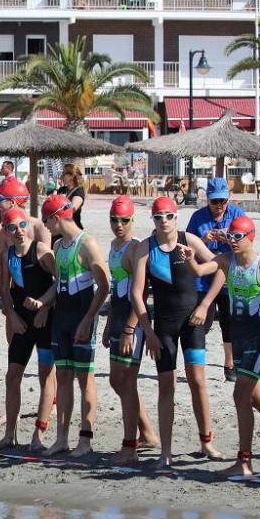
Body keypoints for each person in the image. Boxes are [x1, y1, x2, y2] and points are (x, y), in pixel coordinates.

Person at [130, 196, 224, 469]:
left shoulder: (190, 241)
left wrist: (206, 305)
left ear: (176, 217)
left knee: (197, 380)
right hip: (164, 327)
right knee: (166, 387)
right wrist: (148, 331)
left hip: (193, 321)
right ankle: (166, 453)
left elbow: (221, 267)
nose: (163, 221)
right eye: (158, 217)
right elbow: (137, 293)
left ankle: (206, 441)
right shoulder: (145, 249)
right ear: (153, 219)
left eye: (168, 216)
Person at [182, 216, 260, 476]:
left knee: (239, 395)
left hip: (258, 338)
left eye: (238, 237)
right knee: (252, 395)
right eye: (230, 236)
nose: (233, 241)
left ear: (250, 237)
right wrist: (189, 256)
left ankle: (244, 462)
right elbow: (198, 272)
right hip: (239, 338)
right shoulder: (226, 261)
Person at [36, 194, 108, 458]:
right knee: (63, 377)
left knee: (84, 378)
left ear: (56, 218)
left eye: (46, 220)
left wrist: (88, 319)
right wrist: (43, 303)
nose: (45, 226)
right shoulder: (59, 246)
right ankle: (62, 439)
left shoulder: (87, 244)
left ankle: (85, 439)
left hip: (82, 316)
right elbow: (60, 283)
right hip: (62, 317)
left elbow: (104, 286)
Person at [101, 196, 159, 464]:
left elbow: (140, 293)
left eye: (124, 220)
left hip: (131, 324)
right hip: (118, 319)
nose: (118, 225)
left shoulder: (135, 249)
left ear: (132, 220)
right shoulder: (114, 246)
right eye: (114, 220)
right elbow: (116, 291)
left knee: (127, 382)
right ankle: (147, 432)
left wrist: (129, 328)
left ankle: (130, 445)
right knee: (117, 381)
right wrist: (109, 324)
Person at [0, 207, 55, 452]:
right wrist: (11, 315)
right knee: (12, 376)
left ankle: (39, 433)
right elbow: (4, 288)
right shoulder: (8, 254)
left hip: (44, 320)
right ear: (6, 232)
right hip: (22, 321)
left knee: (45, 375)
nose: (19, 232)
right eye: (12, 228)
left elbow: (60, 283)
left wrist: (43, 306)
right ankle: (10, 434)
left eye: (22, 225)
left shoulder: (41, 251)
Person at [185, 176, 245, 381]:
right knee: (202, 321)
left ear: (228, 199)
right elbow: (188, 246)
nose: (219, 206)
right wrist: (204, 240)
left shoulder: (237, 214)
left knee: (229, 323)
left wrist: (229, 238)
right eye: (214, 201)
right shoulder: (198, 217)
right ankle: (196, 364)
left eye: (223, 201)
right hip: (203, 278)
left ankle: (229, 365)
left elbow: (247, 242)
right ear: (207, 199)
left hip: (230, 277)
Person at [57, 163, 87, 229]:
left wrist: (58, 209)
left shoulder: (79, 191)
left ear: (72, 176)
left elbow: (73, 208)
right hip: (60, 228)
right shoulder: (62, 189)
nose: (62, 176)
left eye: (64, 174)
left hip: (73, 228)